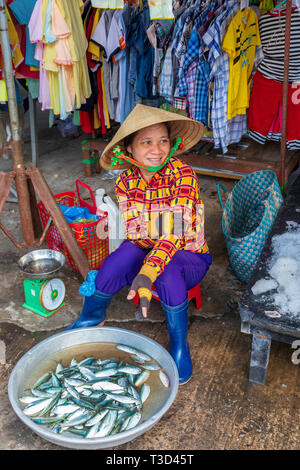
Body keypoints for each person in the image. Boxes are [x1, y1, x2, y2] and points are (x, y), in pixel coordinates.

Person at [66, 104, 212, 384]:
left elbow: (175, 234)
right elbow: (136, 233)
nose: (157, 150)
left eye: (163, 141)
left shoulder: (183, 175)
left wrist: (147, 270)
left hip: (190, 256)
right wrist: (150, 246)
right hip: (149, 244)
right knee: (113, 264)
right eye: (146, 142)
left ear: (172, 143)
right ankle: (91, 316)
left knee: (167, 272)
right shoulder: (125, 182)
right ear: (129, 148)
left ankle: (179, 346)